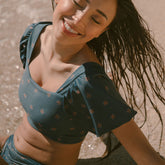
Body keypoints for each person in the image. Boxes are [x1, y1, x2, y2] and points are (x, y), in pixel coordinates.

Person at [0, 0, 165, 164]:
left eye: (96, 19)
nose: (79, 19)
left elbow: (148, 158)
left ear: (101, 31)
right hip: (10, 147)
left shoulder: (88, 82)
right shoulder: (34, 36)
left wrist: (102, 92)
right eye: (78, 2)